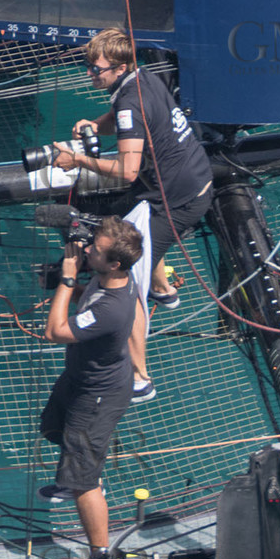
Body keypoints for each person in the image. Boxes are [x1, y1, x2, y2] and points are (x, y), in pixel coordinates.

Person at [53, 28, 213, 403]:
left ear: (120, 66)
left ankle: (140, 378)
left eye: (97, 69)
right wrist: (95, 124)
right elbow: (117, 114)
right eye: (88, 67)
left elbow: (127, 170)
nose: (91, 74)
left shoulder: (129, 104)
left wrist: (76, 158)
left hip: (173, 201)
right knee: (133, 227)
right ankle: (165, 291)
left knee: (127, 286)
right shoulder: (143, 79)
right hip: (193, 180)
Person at [38, 216, 142, 559]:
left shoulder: (112, 307)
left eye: (93, 250)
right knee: (52, 427)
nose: (85, 251)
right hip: (80, 379)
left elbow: (54, 332)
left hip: (98, 394)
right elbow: (91, 298)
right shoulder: (111, 278)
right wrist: (77, 287)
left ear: (114, 262)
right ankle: (77, 478)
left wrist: (66, 280)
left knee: (84, 478)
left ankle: (102, 555)